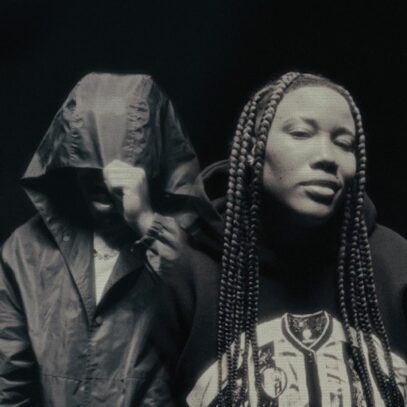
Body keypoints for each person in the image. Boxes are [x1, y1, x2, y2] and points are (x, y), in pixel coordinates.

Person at [153, 72, 407, 406]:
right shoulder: (182, 265)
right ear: (252, 148)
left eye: (345, 144)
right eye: (301, 133)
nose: (327, 156)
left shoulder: (395, 263)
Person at [0, 72, 202, 406]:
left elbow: (207, 327)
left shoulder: (190, 245)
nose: (104, 176)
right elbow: (8, 382)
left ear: (151, 161)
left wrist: (147, 224)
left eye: (122, 163)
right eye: (88, 163)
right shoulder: (26, 250)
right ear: (67, 159)